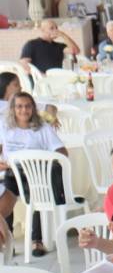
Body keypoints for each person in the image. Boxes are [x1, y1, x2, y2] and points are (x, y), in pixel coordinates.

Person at [0, 91, 70, 258]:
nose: (24, 110)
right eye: (19, 106)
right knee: (4, 195)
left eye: (28, 106)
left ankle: (36, 240)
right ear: (13, 109)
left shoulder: (43, 128)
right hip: (13, 172)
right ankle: (8, 239)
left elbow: (62, 152)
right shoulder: (4, 126)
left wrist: (43, 161)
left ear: (33, 108)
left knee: (37, 198)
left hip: (36, 174)